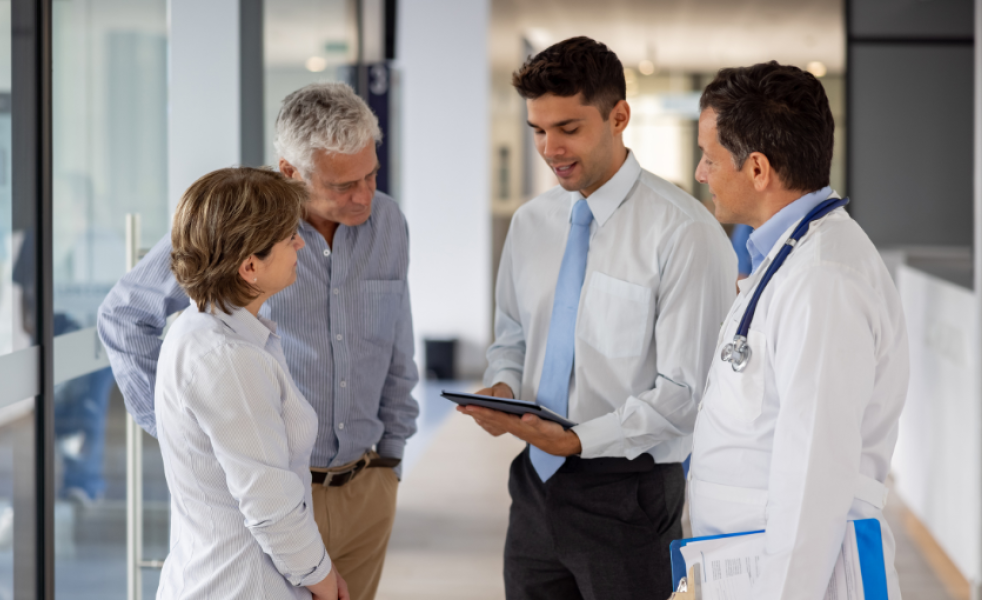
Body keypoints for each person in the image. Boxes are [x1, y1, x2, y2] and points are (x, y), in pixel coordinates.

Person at [97, 82, 418, 600]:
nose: (363, 196)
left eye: (371, 175)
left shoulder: (389, 223)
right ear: (290, 171)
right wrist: (189, 435)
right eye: (342, 185)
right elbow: (125, 317)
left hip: (365, 485)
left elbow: (398, 342)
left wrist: (392, 462)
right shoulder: (239, 223)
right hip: (270, 500)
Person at [458, 37, 735, 600]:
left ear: (619, 117)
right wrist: (504, 388)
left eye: (568, 128)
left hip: (627, 489)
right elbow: (512, 335)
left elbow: (685, 392)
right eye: (538, 130)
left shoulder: (684, 232)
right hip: (534, 483)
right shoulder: (531, 223)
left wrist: (579, 441)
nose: (550, 148)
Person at [688, 61, 908, 599]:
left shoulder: (824, 280)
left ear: (757, 169)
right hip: (745, 562)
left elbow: (815, 475)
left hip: (794, 579)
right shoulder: (792, 259)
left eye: (709, 158)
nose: (700, 173)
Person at [155, 166, 347, 600]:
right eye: (288, 237)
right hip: (241, 586)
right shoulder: (229, 360)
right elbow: (271, 506)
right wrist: (323, 580)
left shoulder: (206, 330)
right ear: (249, 267)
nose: (300, 242)